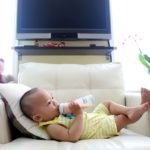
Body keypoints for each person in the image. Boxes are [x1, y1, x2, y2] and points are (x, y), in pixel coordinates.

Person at [20, 88, 150, 142]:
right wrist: (79, 114)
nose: (55, 102)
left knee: (107, 103)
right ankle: (137, 111)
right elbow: (72, 136)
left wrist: (75, 108)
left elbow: (76, 116)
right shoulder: (51, 126)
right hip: (97, 129)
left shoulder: (59, 113)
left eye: (53, 98)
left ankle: (131, 109)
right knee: (121, 119)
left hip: (93, 117)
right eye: (49, 103)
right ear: (38, 117)